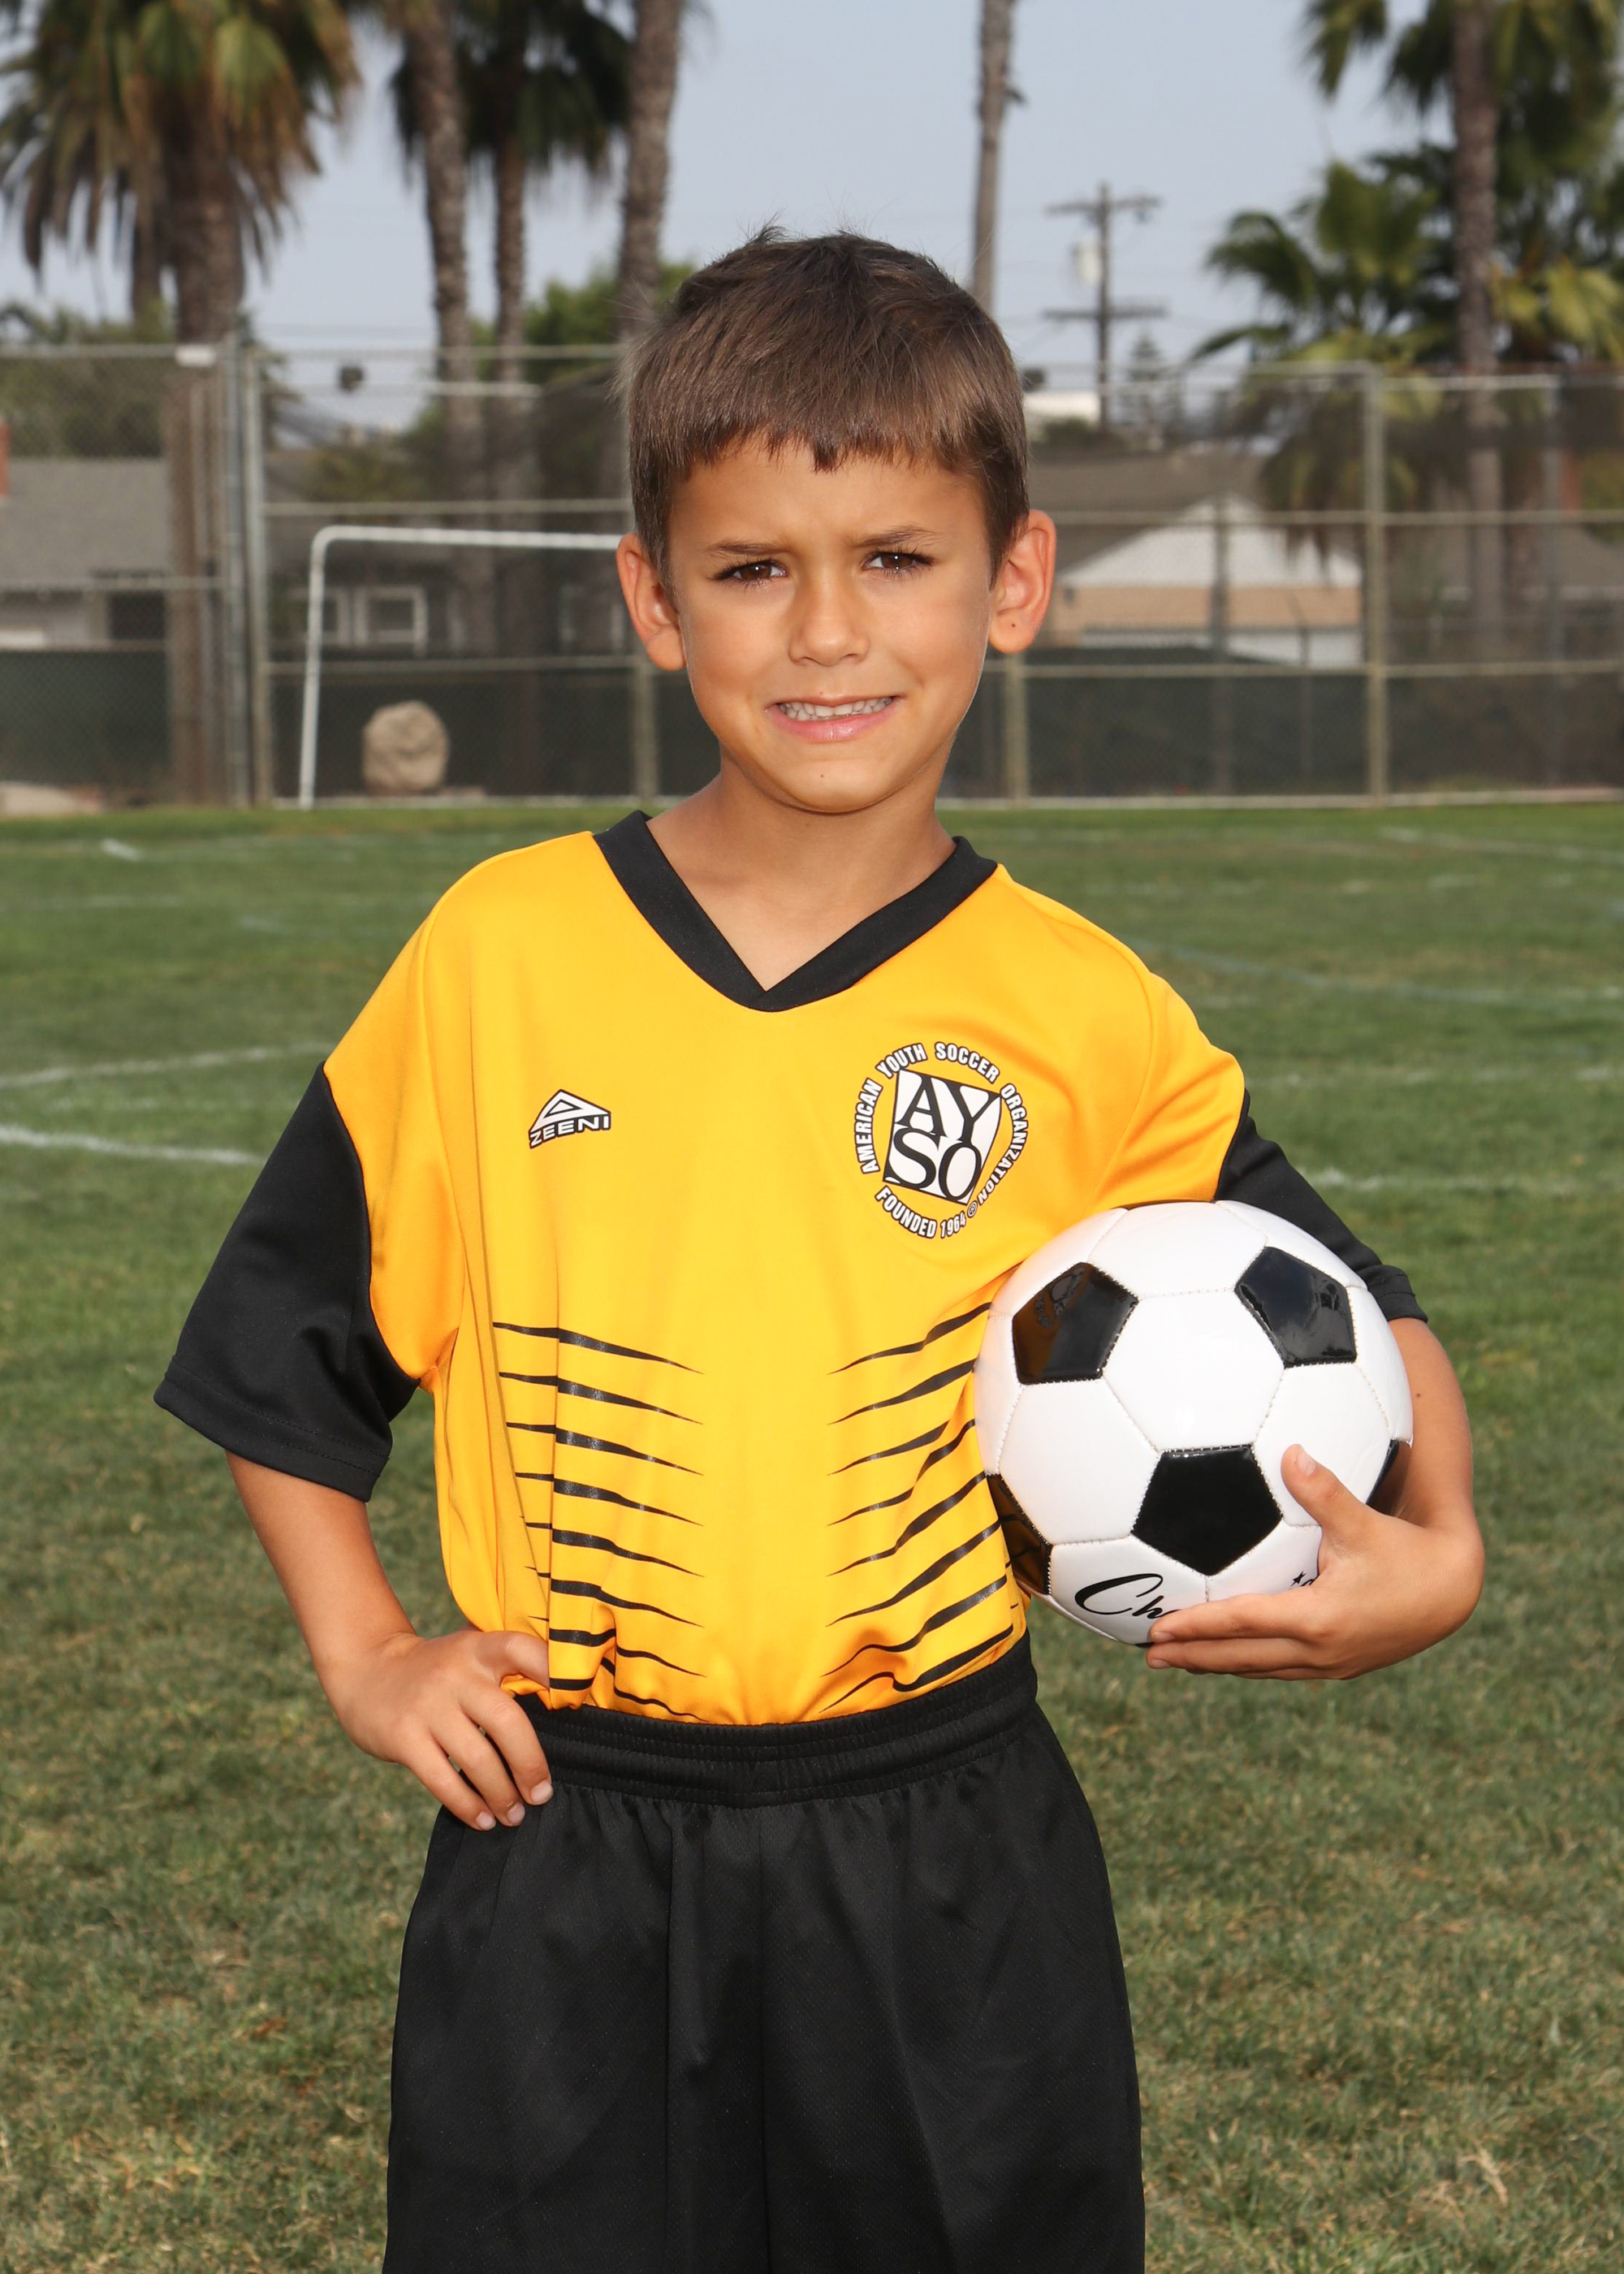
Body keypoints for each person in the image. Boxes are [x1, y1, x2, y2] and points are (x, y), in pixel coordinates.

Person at [155, 230, 1483, 2274]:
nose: (828, 629)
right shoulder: (501, 957)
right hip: (562, 1836)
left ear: (1013, 581)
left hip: (947, 1843)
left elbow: (1349, 1302)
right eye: (755, 567)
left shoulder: (1077, 1009)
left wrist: (1440, 1545)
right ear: (652, 596)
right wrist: (365, 1651)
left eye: (896, 557)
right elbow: (284, 1348)